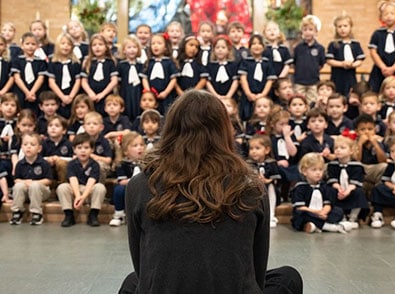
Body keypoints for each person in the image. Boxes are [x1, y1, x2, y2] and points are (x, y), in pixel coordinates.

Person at [119, 89, 303, 294]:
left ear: (170, 129)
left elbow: (141, 263)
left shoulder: (140, 184)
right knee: (287, 278)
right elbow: (256, 269)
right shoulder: (251, 186)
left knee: (133, 281)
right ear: (224, 130)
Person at [291, 152, 352, 234]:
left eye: (320, 170)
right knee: (301, 214)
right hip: (310, 212)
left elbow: (327, 203)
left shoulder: (324, 186)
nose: (318, 173)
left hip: (321, 213)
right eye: (314, 170)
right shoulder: (300, 187)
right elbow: (300, 207)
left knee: (338, 211)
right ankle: (330, 227)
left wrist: (324, 212)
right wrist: (316, 212)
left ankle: (315, 226)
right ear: (304, 171)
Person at [56, 133, 106, 227]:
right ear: (74, 150)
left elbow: (92, 181)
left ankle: (93, 215)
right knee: (62, 187)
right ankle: (68, 215)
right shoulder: (71, 164)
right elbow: (73, 179)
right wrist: (78, 196)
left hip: (88, 189)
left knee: (100, 187)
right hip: (76, 188)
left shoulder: (95, 164)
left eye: (86, 148)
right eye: (79, 148)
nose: (83, 151)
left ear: (92, 149)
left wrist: (83, 197)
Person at [9, 133, 53, 225]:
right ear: (22, 147)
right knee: (18, 186)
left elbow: (48, 180)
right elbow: (16, 179)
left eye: (32, 145)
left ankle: (36, 213)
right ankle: (17, 212)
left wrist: (33, 183)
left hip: (41, 192)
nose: (28, 147)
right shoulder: (20, 164)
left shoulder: (43, 163)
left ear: (39, 149)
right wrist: (25, 182)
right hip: (26, 192)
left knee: (35, 186)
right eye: (25, 145)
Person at [327, 135, 370, 229]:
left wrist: (347, 191)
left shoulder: (357, 165)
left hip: (350, 190)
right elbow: (332, 179)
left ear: (351, 151)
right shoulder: (332, 164)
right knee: (330, 191)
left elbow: (355, 183)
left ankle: (353, 218)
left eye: (342, 148)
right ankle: (341, 217)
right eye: (336, 148)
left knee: (359, 192)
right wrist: (339, 188)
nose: (338, 150)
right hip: (339, 190)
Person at [368, 0, 395, 93]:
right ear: (381, 17)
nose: (389, 16)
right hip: (379, 69)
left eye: (392, 13)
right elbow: (373, 51)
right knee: (375, 91)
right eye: (386, 14)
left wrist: (394, 68)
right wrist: (383, 67)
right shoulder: (377, 33)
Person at [110, 132, 145, 227]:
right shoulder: (122, 164)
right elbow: (122, 181)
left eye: (141, 145)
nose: (140, 147)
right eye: (135, 145)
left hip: (143, 187)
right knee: (119, 189)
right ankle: (119, 215)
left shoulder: (147, 162)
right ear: (125, 151)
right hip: (128, 186)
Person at [238, 33, 276, 121]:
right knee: (247, 115)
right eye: (254, 44)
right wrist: (248, 93)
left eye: (259, 44)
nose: (256, 46)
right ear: (249, 47)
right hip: (249, 95)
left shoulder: (267, 63)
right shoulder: (245, 62)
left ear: (263, 47)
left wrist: (263, 94)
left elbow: (270, 80)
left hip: (263, 95)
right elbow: (243, 78)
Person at [326, 12, 365, 97]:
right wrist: (342, 64)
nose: (342, 29)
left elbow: (360, 60)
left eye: (345, 26)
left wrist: (353, 65)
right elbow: (329, 60)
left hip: (350, 76)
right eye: (339, 27)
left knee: (350, 94)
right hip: (337, 76)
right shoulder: (333, 44)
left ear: (350, 27)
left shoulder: (355, 44)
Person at [247, 134, 281, 228]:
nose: (253, 151)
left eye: (257, 148)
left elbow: (276, 177)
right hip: (254, 188)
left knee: (271, 188)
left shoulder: (271, 163)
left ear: (267, 150)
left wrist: (267, 180)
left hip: (268, 187)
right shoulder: (248, 164)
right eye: (251, 148)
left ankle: (271, 215)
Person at [81, 33, 118, 115]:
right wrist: (90, 93)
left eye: (100, 44)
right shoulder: (88, 62)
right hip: (91, 96)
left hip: (106, 96)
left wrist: (102, 94)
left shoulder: (110, 62)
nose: (97, 47)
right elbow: (83, 81)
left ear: (106, 47)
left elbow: (114, 81)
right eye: (94, 45)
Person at [10, 32, 47, 115]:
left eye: (33, 44)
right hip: (21, 92)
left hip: (35, 93)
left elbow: (40, 79)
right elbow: (17, 78)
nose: (30, 46)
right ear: (22, 46)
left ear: (37, 46)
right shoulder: (17, 61)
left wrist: (32, 93)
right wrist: (27, 92)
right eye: (27, 44)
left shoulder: (41, 62)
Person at [47, 32, 82, 119]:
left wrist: (70, 97)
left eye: (69, 44)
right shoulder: (53, 62)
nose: (66, 46)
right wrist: (62, 97)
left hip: (72, 96)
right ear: (58, 45)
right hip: (57, 96)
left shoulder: (76, 63)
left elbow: (78, 81)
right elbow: (51, 82)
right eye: (63, 43)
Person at [293, 15, 325, 104]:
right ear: (302, 31)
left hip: (313, 82)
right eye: (305, 29)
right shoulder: (298, 48)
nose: (308, 32)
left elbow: (321, 64)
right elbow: (294, 62)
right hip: (299, 81)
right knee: (299, 102)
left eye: (310, 30)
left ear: (316, 32)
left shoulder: (320, 48)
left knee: (312, 102)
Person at [143, 33, 179, 114]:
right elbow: (144, 78)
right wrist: (148, 92)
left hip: (166, 95)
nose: (156, 46)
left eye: (159, 43)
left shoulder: (169, 62)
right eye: (153, 43)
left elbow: (173, 79)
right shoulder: (148, 62)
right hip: (152, 96)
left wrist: (166, 92)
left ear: (166, 47)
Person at [117, 35, 149, 121]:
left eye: (134, 47)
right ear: (124, 50)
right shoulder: (121, 65)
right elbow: (118, 82)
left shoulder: (141, 65)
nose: (132, 50)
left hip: (137, 91)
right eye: (129, 47)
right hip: (125, 91)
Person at [41, 115, 73, 185]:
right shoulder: (43, 144)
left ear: (64, 131)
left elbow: (73, 159)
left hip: (64, 171)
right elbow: (38, 158)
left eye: (57, 126)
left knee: (61, 163)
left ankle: (63, 185)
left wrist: (59, 159)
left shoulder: (68, 144)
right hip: (48, 171)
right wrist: (48, 159)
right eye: (50, 126)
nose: (53, 128)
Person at [206, 34, 239, 99]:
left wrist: (228, 96)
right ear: (214, 50)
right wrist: (216, 96)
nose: (220, 50)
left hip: (230, 97)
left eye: (223, 47)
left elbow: (235, 81)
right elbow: (208, 82)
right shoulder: (210, 65)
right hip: (214, 97)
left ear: (228, 50)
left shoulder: (233, 65)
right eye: (217, 47)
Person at [83, 111, 113, 183]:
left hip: (101, 165)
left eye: (95, 124)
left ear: (101, 127)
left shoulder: (104, 141)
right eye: (88, 124)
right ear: (84, 127)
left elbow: (108, 160)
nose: (91, 126)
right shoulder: (80, 139)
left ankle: (99, 186)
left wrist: (94, 157)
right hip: (84, 163)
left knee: (98, 165)